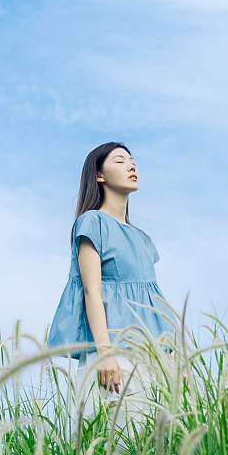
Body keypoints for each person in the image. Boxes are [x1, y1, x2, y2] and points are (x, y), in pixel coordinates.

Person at [47, 142, 173, 421]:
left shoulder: (143, 239)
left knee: (155, 450)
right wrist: (105, 353)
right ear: (99, 176)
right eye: (119, 161)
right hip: (113, 353)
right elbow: (92, 292)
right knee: (115, 448)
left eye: (133, 161)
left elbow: (155, 303)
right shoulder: (92, 222)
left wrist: (172, 356)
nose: (131, 166)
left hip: (152, 355)